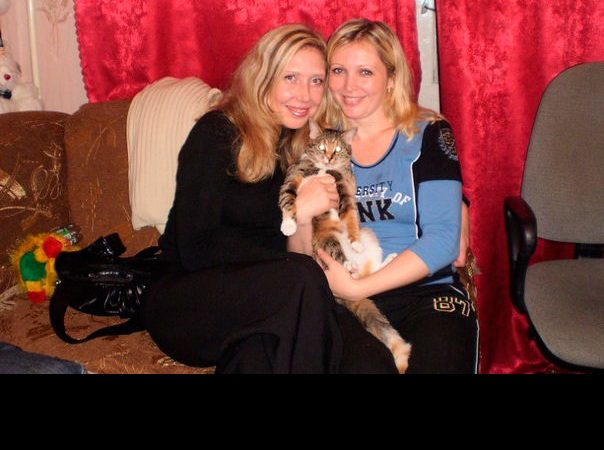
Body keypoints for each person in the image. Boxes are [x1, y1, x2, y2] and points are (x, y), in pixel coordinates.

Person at [140, 23, 398, 374]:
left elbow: (298, 254)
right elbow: (193, 248)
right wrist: (290, 234)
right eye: (290, 77)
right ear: (263, 77)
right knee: (303, 278)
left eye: (316, 81)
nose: (305, 95)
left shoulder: (305, 148)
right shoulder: (217, 132)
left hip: (272, 299)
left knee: (370, 361)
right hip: (189, 298)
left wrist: (304, 222)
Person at [313, 19, 479, 374]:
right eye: (338, 70)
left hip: (427, 292)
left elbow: (444, 241)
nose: (349, 86)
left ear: (391, 78)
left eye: (365, 72)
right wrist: (348, 291)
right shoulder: (319, 145)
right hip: (346, 303)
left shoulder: (428, 133)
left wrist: (358, 287)